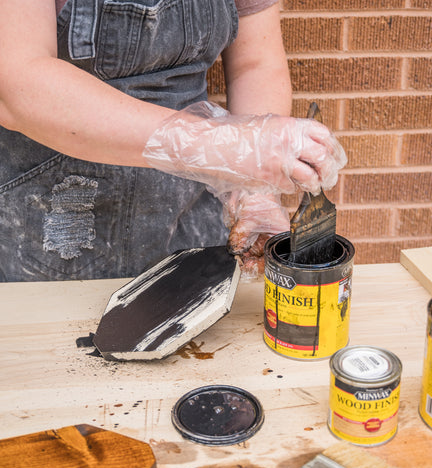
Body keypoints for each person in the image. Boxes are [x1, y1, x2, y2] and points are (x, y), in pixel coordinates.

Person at [0, 0, 346, 282]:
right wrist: (227, 147)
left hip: (190, 230)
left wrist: (253, 190)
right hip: (52, 231)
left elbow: (255, 65)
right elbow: (17, 86)